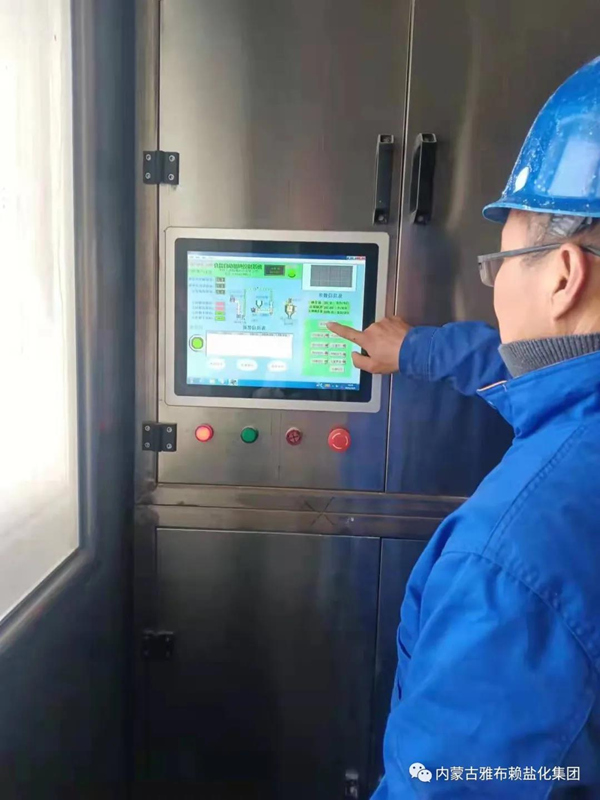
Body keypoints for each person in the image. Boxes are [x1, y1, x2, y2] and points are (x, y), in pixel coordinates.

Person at [329, 57, 600, 798]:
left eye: (501, 261)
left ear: (563, 275)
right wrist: (416, 349)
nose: (496, 284)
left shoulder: (510, 562)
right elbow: (540, 376)